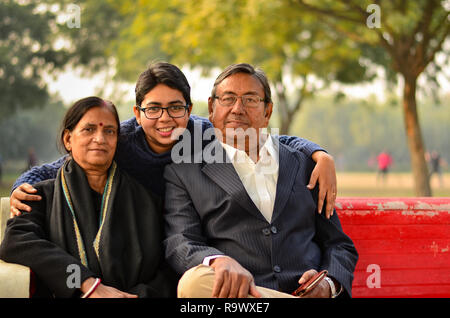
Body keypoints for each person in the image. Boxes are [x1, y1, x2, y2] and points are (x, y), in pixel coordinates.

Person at [10, 62, 337, 219]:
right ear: (137, 113)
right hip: (133, 237)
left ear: (190, 109)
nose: (165, 119)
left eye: (175, 108)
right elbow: (59, 167)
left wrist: (320, 155)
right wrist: (22, 185)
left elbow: (272, 140)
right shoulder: (120, 140)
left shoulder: (201, 133)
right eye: (153, 109)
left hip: (187, 235)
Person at [163, 63, 358, 298]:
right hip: (243, 297)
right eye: (227, 99)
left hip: (302, 290)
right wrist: (218, 261)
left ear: (267, 112)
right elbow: (180, 242)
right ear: (211, 109)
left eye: (250, 100)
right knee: (194, 283)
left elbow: (339, 244)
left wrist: (328, 284)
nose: (237, 109)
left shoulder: (305, 165)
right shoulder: (185, 172)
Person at [0, 97, 175, 297]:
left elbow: (165, 270)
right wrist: (86, 283)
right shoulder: (40, 197)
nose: (100, 139)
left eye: (109, 131)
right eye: (89, 129)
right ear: (68, 139)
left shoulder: (147, 203)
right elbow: (15, 242)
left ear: (117, 141)